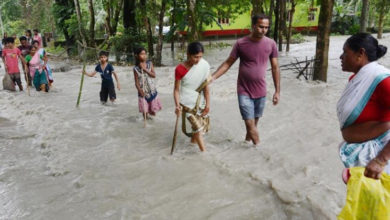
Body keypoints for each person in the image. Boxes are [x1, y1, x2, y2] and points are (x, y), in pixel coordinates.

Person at [211, 14, 281, 147]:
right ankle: (259, 150)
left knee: (253, 124)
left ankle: (246, 146)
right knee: (249, 123)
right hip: (244, 90)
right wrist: (213, 77)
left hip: (261, 90)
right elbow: (228, 63)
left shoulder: (271, 44)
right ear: (253, 26)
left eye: (266, 27)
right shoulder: (241, 43)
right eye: (261, 27)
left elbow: (275, 68)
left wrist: (277, 91)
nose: (264, 30)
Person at [338, 33, 390, 182]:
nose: (341, 57)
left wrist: (381, 160)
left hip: (380, 162)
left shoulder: (383, 81)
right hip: (363, 158)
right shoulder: (355, 79)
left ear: (360, 53)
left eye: (345, 52)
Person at [174, 42, 211, 152]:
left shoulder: (204, 65)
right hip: (187, 104)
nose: (198, 60)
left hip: (200, 102)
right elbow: (176, 89)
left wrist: (207, 105)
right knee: (198, 129)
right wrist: (177, 105)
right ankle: (204, 154)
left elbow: (206, 87)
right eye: (195, 57)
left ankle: (191, 146)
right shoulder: (180, 69)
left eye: (200, 57)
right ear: (188, 54)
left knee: (198, 129)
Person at [133, 47, 162, 119]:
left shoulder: (149, 63)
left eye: (145, 54)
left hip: (151, 91)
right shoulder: (135, 69)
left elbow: (154, 75)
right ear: (137, 56)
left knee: (153, 111)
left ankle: (153, 126)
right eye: (142, 54)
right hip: (142, 92)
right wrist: (140, 91)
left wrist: (145, 70)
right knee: (145, 112)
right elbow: (136, 83)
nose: (144, 56)